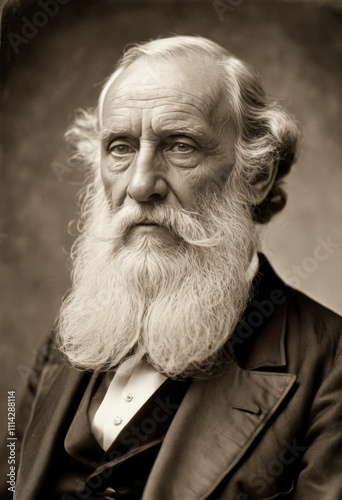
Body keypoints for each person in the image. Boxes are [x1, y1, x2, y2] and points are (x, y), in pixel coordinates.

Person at [6, 35, 342, 499]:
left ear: (256, 175)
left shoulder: (331, 365)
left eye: (180, 145)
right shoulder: (66, 343)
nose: (141, 184)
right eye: (120, 147)